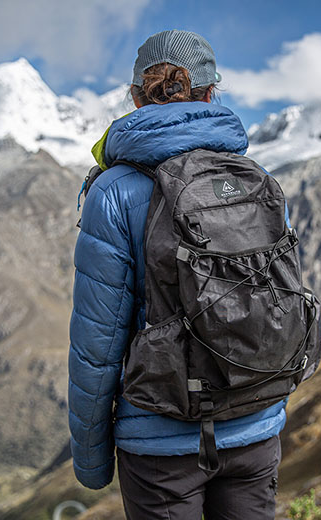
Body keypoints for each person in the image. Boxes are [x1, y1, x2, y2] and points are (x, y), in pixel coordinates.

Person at [68, 30, 287, 519]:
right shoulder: (256, 180)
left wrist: (91, 460)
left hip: (161, 442)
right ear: (213, 94)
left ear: (135, 97)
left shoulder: (114, 192)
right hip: (255, 425)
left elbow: (97, 344)